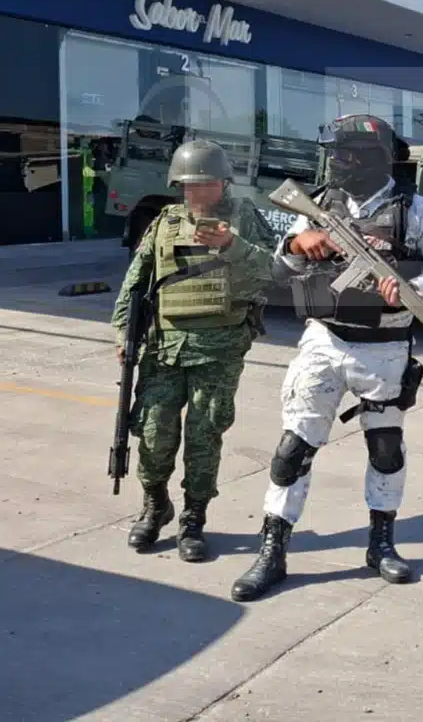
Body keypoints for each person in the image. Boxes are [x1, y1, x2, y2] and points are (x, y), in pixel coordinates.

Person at [230, 115, 423, 602]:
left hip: (386, 346)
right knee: (292, 451)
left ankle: (381, 544)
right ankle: (273, 550)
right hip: (324, 341)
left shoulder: (413, 210)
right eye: (335, 153)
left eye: (348, 155)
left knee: (386, 451)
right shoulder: (318, 206)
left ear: (375, 158)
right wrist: (298, 242)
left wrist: (413, 290)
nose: (338, 162)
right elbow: (281, 265)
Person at [113, 140, 278, 563]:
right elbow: (136, 280)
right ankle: (155, 506)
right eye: (189, 185)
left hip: (218, 351)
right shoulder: (165, 223)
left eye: (205, 184)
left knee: (204, 438)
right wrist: (122, 334)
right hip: (163, 349)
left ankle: (193, 519)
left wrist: (231, 246)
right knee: (151, 434)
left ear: (223, 183)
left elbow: (270, 273)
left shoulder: (244, 219)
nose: (197, 193)